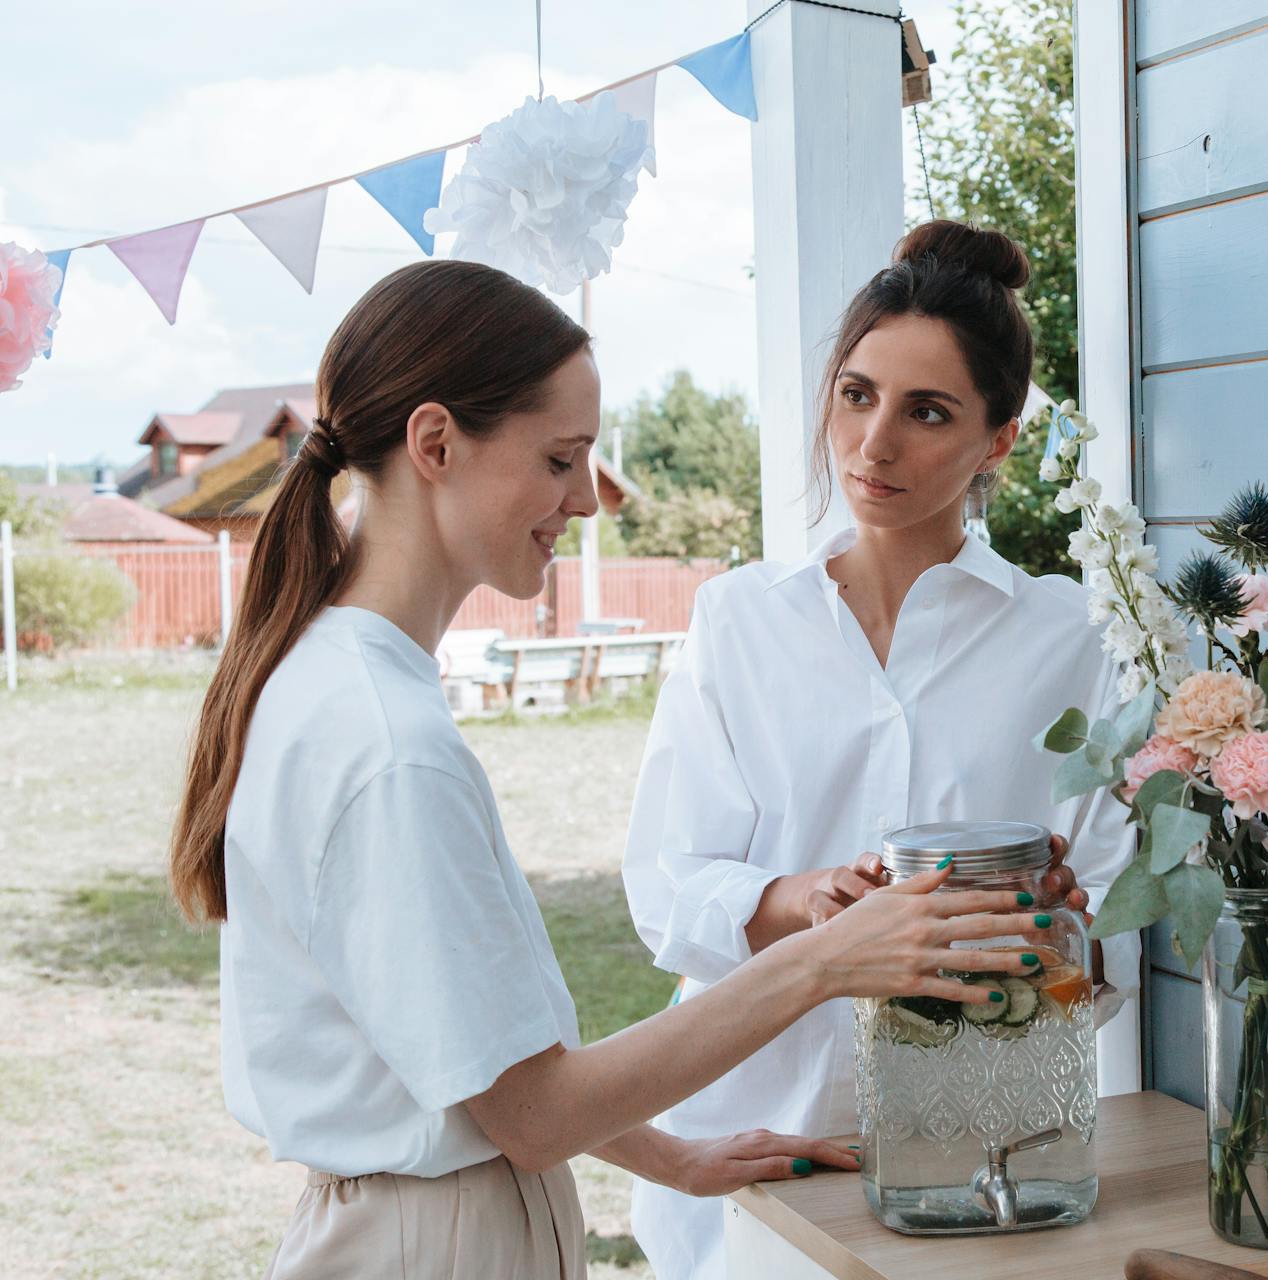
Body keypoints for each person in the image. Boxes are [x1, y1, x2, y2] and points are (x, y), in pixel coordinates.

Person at [169, 259, 1041, 1279]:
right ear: (436, 444)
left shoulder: (336, 681)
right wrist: (832, 957)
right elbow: (535, 1112)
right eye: (560, 457)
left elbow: (468, 1057)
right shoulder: (387, 744)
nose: (587, 497)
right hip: (437, 1239)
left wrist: (668, 1152)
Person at [622, 221, 1143, 1280]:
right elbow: (666, 886)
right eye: (856, 394)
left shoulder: (1071, 636)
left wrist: (1055, 923)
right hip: (753, 1140)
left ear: (998, 440)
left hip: (981, 1156)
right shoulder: (738, 621)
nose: (874, 444)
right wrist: (811, 900)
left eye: (928, 411)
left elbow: (1104, 922)